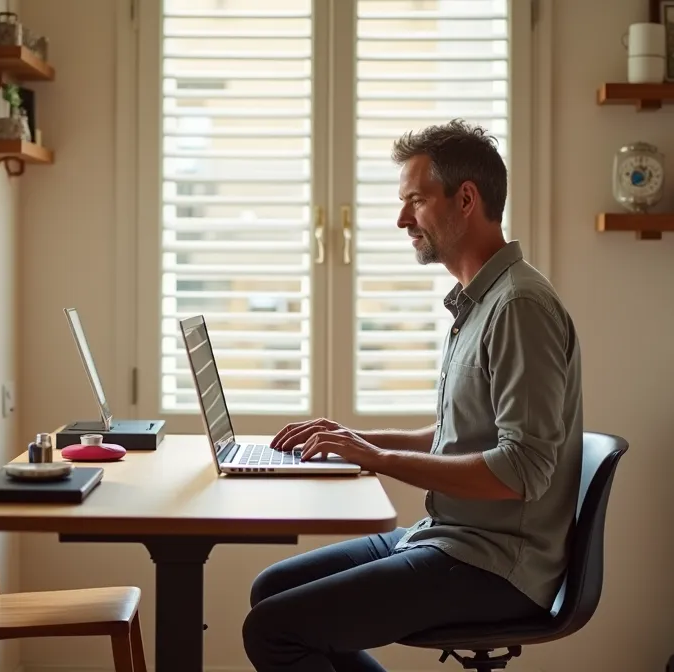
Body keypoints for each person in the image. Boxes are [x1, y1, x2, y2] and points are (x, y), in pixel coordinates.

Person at [241, 119, 585, 672]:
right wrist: (354, 440)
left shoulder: (519, 306)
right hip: (450, 536)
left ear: (466, 199)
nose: (402, 219)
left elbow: (522, 469)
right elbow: (459, 436)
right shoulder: (480, 302)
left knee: (274, 630)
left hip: (496, 564)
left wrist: (379, 461)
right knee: (273, 589)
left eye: (416, 200)